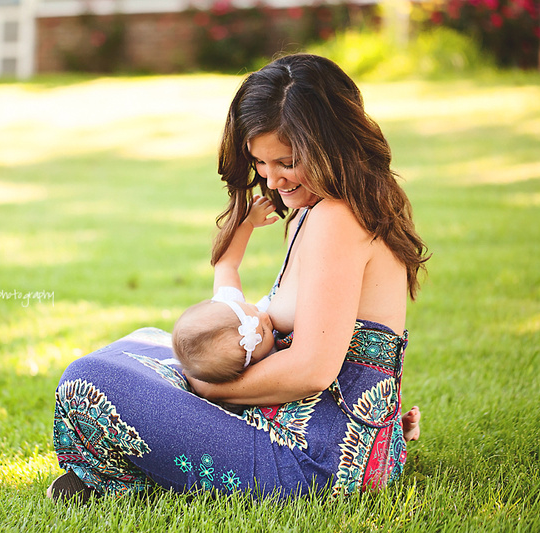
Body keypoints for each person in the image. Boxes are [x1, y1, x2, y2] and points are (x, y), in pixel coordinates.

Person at [47, 53, 427, 504]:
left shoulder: (337, 218)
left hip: (314, 461)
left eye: (286, 161)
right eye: (260, 162)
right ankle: (137, 471)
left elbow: (313, 369)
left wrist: (210, 388)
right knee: (147, 344)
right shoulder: (318, 208)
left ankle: (129, 479)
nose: (272, 179)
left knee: (89, 380)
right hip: (317, 437)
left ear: (332, 145)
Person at [172, 194, 279, 384]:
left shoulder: (230, 302)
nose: (264, 316)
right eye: (262, 332)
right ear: (248, 365)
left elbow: (226, 264)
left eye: (252, 309)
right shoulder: (268, 368)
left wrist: (248, 223)